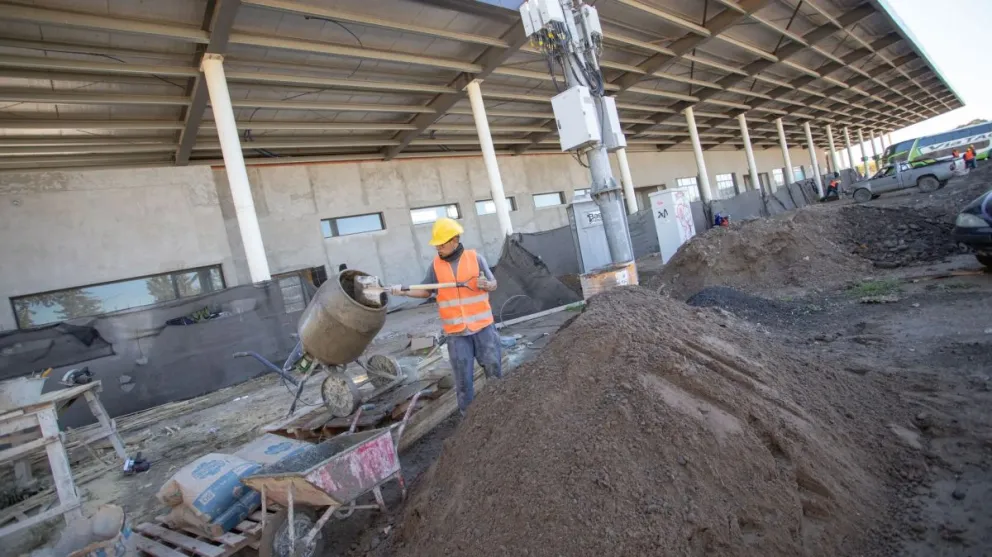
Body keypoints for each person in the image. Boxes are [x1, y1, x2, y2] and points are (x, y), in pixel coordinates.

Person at [390, 217, 501, 414]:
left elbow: (493, 283)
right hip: (456, 335)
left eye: (441, 244)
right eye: (436, 245)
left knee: (494, 372)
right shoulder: (435, 266)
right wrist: (403, 291)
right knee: (463, 383)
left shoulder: (475, 258)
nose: (438, 248)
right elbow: (426, 291)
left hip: (483, 328)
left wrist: (487, 284)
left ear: (454, 240)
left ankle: (500, 411)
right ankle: (468, 418)